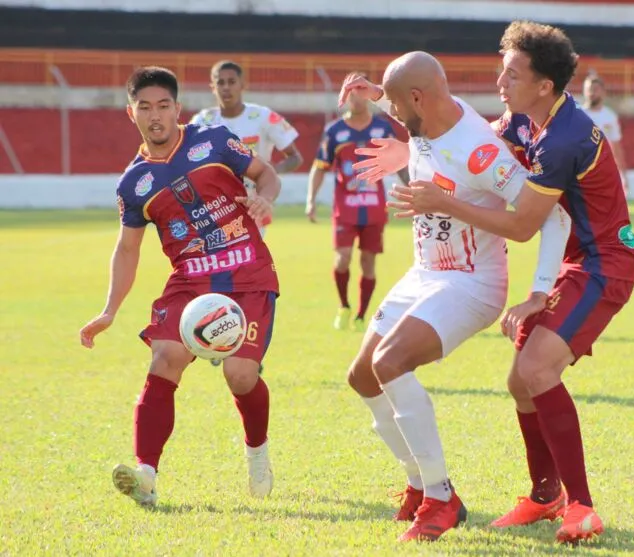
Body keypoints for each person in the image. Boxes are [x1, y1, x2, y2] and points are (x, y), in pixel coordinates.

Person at [374, 21, 634, 544]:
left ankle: (581, 507)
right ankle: (546, 498)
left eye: (512, 74)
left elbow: (523, 225)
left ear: (545, 86)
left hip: (604, 262)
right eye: (502, 70)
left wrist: (445, 203)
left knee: (537, 370)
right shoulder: (525, 120)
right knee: (521, 380)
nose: (501, 82)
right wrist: (385, 107)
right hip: (572, 260)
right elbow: (460, 143)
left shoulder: (562, 139)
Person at [337, 52, 570, 542]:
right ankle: (419, 485)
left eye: (399, 106)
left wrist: (539, 291)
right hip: (425, 272)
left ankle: (441, 499)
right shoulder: (431, 116)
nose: (395, 118)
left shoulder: (479, 150)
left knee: (390, 362)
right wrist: (380, 98)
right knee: (361, 376)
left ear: (420, 98)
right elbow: (418, 120)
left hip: (471, 281)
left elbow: (550, 218)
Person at [79, 66, 282, 507]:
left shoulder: (213, 140)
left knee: (241, 375)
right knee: (165, 356)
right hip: (190, 281)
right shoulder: (133, 184)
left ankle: (257, 451)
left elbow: (265, 173)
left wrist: (265, 196)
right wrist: (110, 309)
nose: (156, 116)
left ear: (178, 108)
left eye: (164, 106)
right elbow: (128, 249)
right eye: (145, 107)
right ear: (130, 113)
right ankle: (147, 475)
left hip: (247, 271)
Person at [306, 82, 409, 331]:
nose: (358, 99)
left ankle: (362, 315)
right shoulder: (335, 131)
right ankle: (344, 306)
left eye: (362, 94)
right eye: (352, 95)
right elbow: (319, 167)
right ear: (346, 98)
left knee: (368, 262)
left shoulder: (382, 128)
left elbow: (400, 163)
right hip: (345, 208)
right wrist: (311, 200)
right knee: (342, 259)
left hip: (374, 208)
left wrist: (411, 188)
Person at [191, 60, 303, 237]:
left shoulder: (262, 116)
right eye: (220, 82)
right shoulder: (202, 122)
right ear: (212, 87)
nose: (226, 87)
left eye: (232, 82)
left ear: (243, 85)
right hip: (214, 207)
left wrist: (268, 175)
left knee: (249, 260)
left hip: (253, 205)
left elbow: (295, 157)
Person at [581, 74, 629, 195]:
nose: (591, 93)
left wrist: (623, 175)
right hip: (580, 169)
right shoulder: (578, 114)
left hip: (601, 171)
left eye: (595, 89)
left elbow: (616, 147)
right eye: (588, 89)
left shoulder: (610, 116)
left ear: (603, 92)